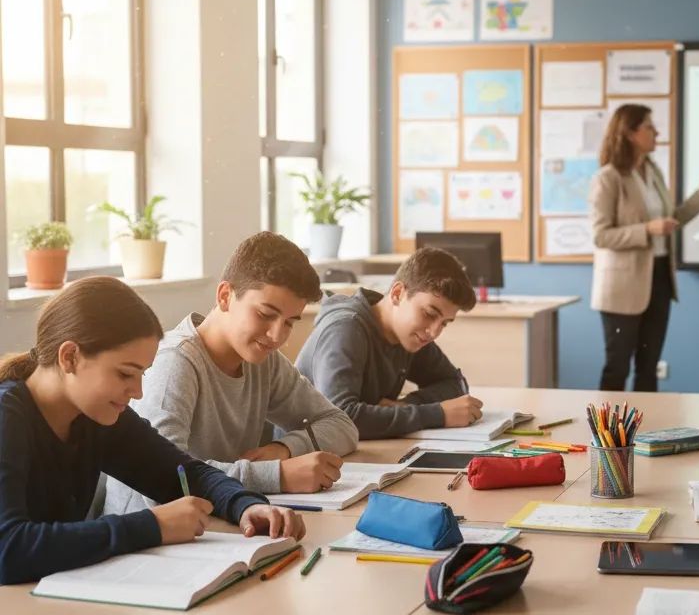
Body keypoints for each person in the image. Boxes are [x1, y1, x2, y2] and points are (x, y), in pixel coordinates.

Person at [0, 277, 303, 585]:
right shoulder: (8, 418)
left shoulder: (93, 415)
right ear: (70, 357)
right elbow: (7, 549)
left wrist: (244, 504)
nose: (138, 392)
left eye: (142, 374)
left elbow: (182, 472)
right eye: (125, 374)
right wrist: (153, 525)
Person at [104, 232, 357, 516]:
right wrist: (277, 475)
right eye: (265, 314)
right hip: (149, 541)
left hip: (220, 521)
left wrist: (283, 448)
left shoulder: (264, 360)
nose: (277, 336)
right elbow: (163, 482)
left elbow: (341, 426)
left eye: (289, 322)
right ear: (225, 296)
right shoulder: (175, 362)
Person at [589, 103, 699, 391]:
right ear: (630, 133)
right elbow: (601, 236)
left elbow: (669, 220)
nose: (656, 132)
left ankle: (645, 435)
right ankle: (606, 435)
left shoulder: (653, 172)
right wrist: (647, 229)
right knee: (618, 366)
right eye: (649, 126)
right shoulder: (608, 178)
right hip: (622, 286)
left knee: (649, 367)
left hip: (659, 277)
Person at [296, 246, 481, 439]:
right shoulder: (345, 329)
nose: (434, 332)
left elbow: (454, 383)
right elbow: (340, 419)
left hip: (354, 455)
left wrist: (407, 404)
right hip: (301, 459)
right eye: (429, 314)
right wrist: (438, 414)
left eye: (444, 323)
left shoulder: (408, 334)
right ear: (397, 294)